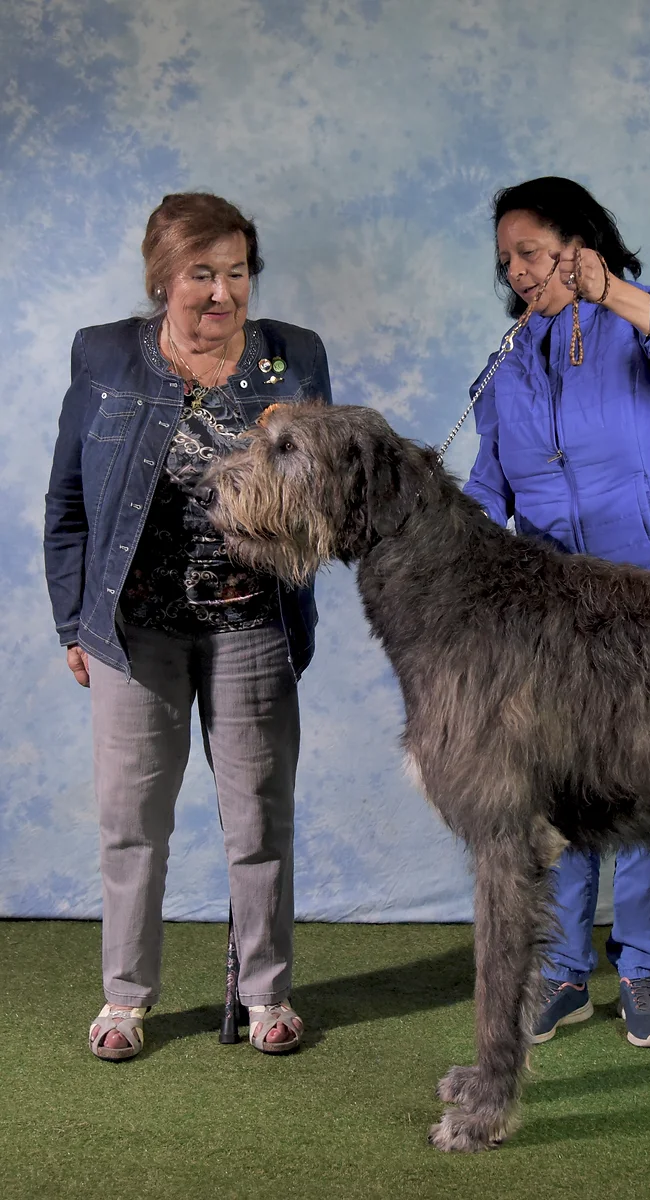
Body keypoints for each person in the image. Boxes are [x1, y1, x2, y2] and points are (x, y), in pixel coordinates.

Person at [44, 193, 332, 1060]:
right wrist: (73, 621)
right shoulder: (104, 355)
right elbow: (67, 504)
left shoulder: (294, 357)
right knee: (132, 822)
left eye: (236, 273)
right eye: (201, 274)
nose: (221, 293)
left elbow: (325, 499)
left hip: (253, 626)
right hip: (135, 632)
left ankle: (266, 995)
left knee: (260, 822)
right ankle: (125, 999)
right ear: (162, 279)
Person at [463, 176, 650, 1048]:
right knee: (565, 784)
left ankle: (643, 970)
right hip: (558, 607)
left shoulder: (640, 324)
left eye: (531, 253)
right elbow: (489, 487)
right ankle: (562, 974)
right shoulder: (509, 363)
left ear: (580, 246)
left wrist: (615, 293)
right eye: (507, 260)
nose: (517, 272)